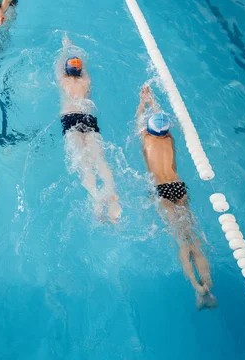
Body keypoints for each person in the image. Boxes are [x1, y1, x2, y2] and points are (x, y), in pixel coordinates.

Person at [136, 84, 217, 310]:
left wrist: (143, 101)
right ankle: (208, 284)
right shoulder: (170, 139)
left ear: (149, 130)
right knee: (193, 237)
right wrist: (154, 102)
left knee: (181, 240)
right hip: (178, 187)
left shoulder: (144, 138)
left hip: (161, 190)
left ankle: (197, 288)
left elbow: (139, 119)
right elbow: (162, 120)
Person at [56, 36, 122, 223]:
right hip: (88, 117)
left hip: (70, 118)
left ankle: (95, 197)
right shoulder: (86, 80)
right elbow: (82, 67)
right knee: (99, 158)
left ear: (66, 71)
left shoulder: (62, 80)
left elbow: (59, 66)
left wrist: (65, 49)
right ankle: (111, 190)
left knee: (83, 161)